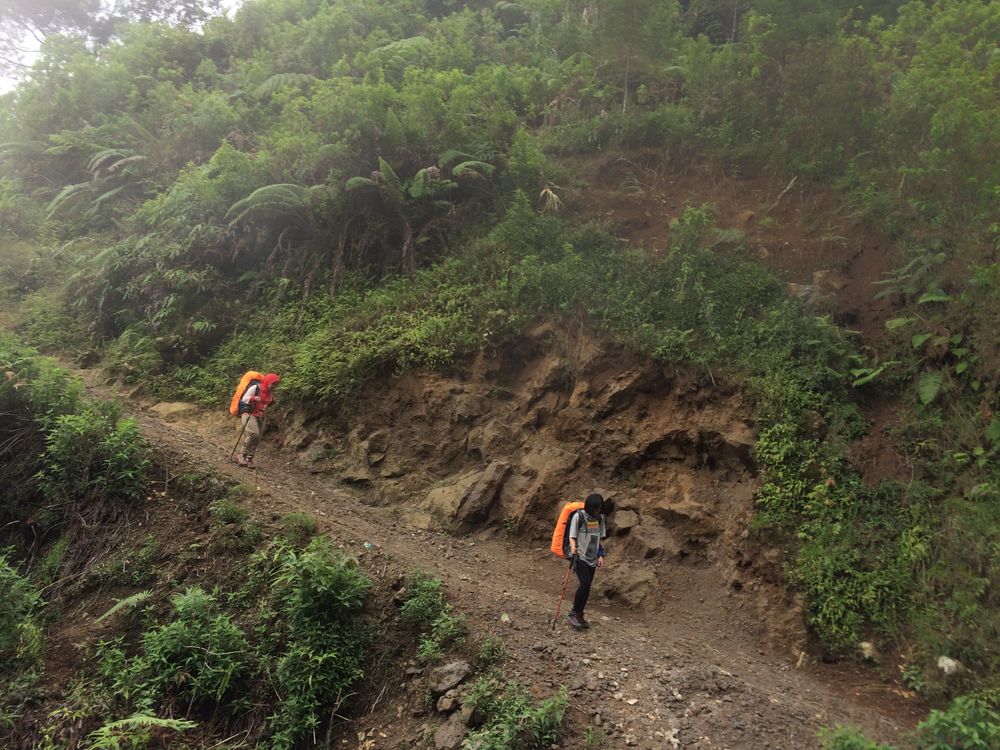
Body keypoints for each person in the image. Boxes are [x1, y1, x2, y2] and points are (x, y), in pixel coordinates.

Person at [566, 492, 610, 629]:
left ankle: (579, 614)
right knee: (584, 583)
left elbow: (599, 539)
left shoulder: (600, 519)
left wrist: (601, 555)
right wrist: (573, 548)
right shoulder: (579, 517)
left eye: (600, 508)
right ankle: (574, 613)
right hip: (580, 555)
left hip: (592, 558)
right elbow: (572, 536)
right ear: (590, 507)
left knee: (587, 586)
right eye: (596, 509)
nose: (598, 511)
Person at [235, 372, 280, 467]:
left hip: (260, 416)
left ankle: (249, 458)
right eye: (273, 384)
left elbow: (266, 404)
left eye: (276, 385)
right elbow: (244, 398)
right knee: (254, 434)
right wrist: (254, 398)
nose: (274, 386)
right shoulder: (255, 388)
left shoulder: (270, 393)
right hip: (248, 413)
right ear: (268, 381)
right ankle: (241, 455)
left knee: (258, 438)